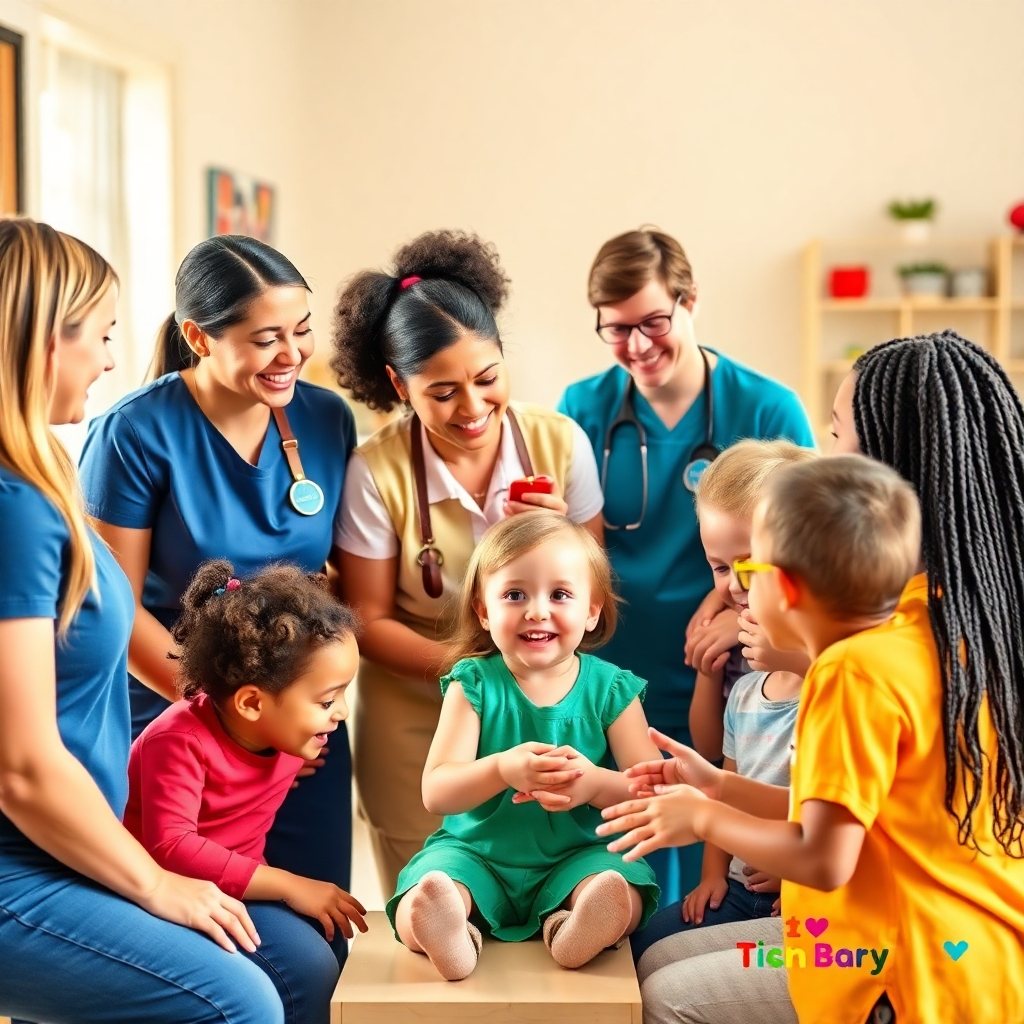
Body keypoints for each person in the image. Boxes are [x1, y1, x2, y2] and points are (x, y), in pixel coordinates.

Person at [601, 454, 1024, 1024]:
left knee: (665, 995)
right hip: (888, 940)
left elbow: (823, 858)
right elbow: (829, 816)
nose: (735, 593)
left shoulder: (847, 674)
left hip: (882, 959)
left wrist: (704, 819)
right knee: (660, 958)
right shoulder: (898, 645)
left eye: (753, 573)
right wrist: (719, 784)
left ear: (793, 589)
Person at [0, 217, 284, 1023]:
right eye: (101, 333)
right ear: (37, 341)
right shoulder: (13, 508)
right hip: (21, 863)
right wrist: (154, 881)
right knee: (239, 1006)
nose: (114, 358)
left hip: (67, 845)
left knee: (283, 971)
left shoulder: (40, 474)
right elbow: (20, 767)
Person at [79, 235, 357, 917]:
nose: (293, 355)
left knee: (314, 936)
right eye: (266, 339)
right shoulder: (134, 434)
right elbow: (115, 608)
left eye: (301, 331)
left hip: (303, 738)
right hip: (181, 729)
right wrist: (234, 720)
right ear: (198, 337)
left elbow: (341, 578)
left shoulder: (325, 419)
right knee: (194, 945)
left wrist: (299, 715)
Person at [332, 229, 605, 893]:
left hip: (549, 718)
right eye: (443, 392)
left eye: (487, 379)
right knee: (436, 913)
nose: (473, 407)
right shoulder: (377, 471)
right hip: (418, 729)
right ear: (398, 383)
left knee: (548, 907)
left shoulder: (560, 444)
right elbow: (366, 619)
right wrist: (475, 674)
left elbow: (593, 594)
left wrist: (552, 535)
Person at [557, 228, 814, 903]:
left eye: (654, 322)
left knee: (716, 846)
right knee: (620, 856)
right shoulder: (581, 409)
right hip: (609, 665)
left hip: (727, 664)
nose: (637, 346)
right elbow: (570, 544)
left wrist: (740, 614)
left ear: (691, 301)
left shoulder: (766, 408)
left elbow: (812, 549)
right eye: (615, 330)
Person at [387, 512, 659, 980]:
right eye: (515, 595)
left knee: (620, 885)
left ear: (592, 610)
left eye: (560, 594)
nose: (536, 611)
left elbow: (652, 792)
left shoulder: (613, 690)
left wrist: (593, 783)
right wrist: (500, 770)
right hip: (476, 854)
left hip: (578, 854)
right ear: (483, 610)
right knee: (430, 884)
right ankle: (452, 930)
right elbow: (436, 792)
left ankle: (576, 926)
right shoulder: (472, 683)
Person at [125, 560, 368, 1024]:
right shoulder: (176, 740)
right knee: (309, 965)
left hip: (234, 888)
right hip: (164, 898)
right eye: (326, 701)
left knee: (330, 934)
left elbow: (242, 779)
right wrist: (290, 886)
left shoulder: (280, 735)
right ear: (252, 702)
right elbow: (171, 848)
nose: (341, 714)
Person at [630, 440, 813, 969]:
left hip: (800, 899)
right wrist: (712, 874)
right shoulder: (747, 687)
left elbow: (834, 824)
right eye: (718, 567)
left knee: (675, 981)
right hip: (735, 888)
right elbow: (720, 777)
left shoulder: (837, 680)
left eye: (750, 566)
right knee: (642, 950)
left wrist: (796, 870)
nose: (734, 586)